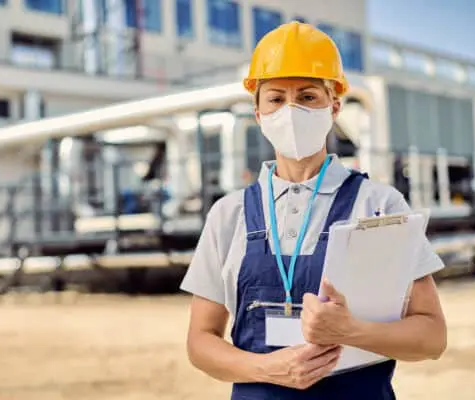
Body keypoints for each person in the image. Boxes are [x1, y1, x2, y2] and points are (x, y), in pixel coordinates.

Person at [180, 21, 447, 399]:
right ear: (258, 113)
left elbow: (432, 337)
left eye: (307, 97)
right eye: (275, 98)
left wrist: (350, 331)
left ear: (334, 106)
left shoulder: (378, 205)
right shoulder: (229, 214)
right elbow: (200, 341)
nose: (290, 110)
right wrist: (266, 369)